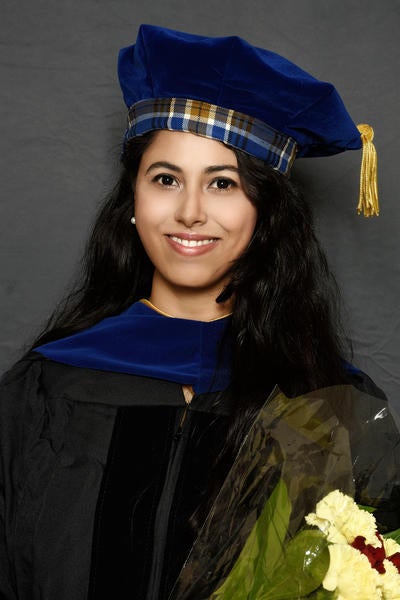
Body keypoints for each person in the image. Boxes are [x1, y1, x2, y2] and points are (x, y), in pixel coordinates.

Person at [0, 24, 398, 600]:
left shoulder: (330, 410)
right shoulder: (44, 392)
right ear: (132, 202)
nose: (189, 212)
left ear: (266, 215)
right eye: (166, 179)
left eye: (223, 184)